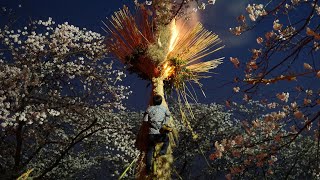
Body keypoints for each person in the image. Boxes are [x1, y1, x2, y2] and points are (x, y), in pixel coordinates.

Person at [144, 95, 172, 174]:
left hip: (151, 134)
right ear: (161, 101)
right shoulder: (164, 108)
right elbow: (168, 115)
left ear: (153, 101)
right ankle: (162, 151)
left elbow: (145, 120)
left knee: (150, 150)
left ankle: (148, 168)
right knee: (166, 140)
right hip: (160, 133)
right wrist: (165, 123)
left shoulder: (149, 109)